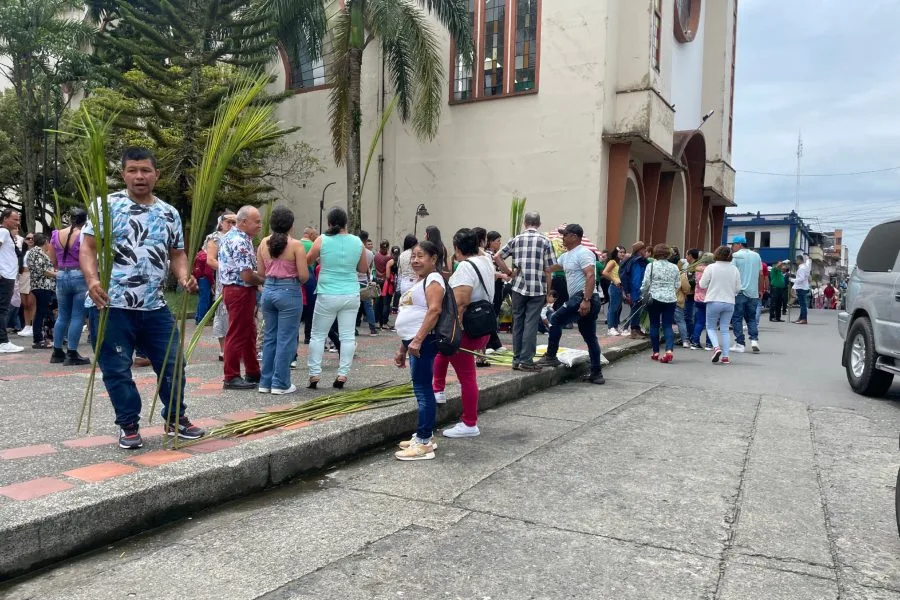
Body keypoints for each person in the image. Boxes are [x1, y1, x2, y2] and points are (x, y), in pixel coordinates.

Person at [81, 146, 205, 449]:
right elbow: (88, 248)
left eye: (145, 170)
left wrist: (182, 275)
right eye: (133, 170)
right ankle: (128, 425)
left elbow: (177, 253)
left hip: (154, 306)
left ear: (156, 175)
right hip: (112, 304)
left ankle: (175, 417)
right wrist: (93, 279)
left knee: (174, 363)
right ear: (123, 173)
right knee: (117, 368)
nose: (139, 176)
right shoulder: (105, 206)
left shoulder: (168, 212)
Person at [432, 228, 495, 438]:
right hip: (482, 324)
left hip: (467, 329)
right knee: (442, 352)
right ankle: (437, 391)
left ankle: (470, 423)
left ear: (457, 248)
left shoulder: (466, 267)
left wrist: (453, 329)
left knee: (467, 376)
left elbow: (461, 301)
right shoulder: (485, 260)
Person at [393, 241, 444, 460]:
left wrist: (417, 341)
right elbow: (412, 316)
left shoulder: (434, 279)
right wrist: (402, 348)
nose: (415, 260)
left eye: (421, 256)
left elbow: (434, 311)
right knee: (421, 390)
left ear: (433, 259)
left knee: (423, 391)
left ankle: (423, 443)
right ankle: (425, 435)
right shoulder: (422, 281)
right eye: (413, 256)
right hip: (414, 344)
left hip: (423, 343)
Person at [305, 207, 366, 389]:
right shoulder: (357, 242)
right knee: (347, 337)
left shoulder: (322, 240)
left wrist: (321, 260)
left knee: (317, 335)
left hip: (327, 293)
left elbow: (307, 260)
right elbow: (363, 269)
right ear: (346, 223)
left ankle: (315, 374)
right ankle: (343, 374)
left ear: (330, 223)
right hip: (350, 293)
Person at [536, 224, 605, 383]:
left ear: (574, 236)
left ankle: (551, 356)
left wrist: (586, 301)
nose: (562, 238)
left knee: (554, 320)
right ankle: (596, 373)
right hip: (580, 298)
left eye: (565, 235)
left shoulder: (584, 253)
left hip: (583, 297)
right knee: (589, 336)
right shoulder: (566, 256)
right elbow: (551, 267)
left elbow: (590, 276)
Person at [493, 212, 555, 371]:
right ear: (539, 224)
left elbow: (497, 257)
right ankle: (527, 360)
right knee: (531, 323)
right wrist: (549, 292)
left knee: (518, 322)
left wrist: (508, 272)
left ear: (525, 223)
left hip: (518, 286)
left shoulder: (516, 239)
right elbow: (548, 270)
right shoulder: (545, 241)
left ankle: (517, 359)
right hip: (538, 287)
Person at [256, 207, 309, 395]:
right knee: (286, 339)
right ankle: (280, 382)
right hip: (289, 292)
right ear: (291, 225)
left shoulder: (263, 243)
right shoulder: (296, 245)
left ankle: (266, 381)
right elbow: (303, 276)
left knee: (270, 337)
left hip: (268, 291)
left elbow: (261, 273)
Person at [219, 205, 265, 390]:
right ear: (244, 222)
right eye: (257, 221)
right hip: (239, 290)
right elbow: (246, 275)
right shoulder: (240, 241)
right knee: (238, 333)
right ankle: (231, 376)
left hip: (235, 290)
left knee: (248, 332)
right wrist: (264, 280)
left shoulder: (231, 236)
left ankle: (253, 371)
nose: (260, 225)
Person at [50, 208, 90, 365]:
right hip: (78, 275)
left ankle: (57, 351)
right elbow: (87, 257)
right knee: (77, 316)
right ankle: (72, 353)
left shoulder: (56, 234)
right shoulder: (83, 235)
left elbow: (52, 259)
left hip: (61, 274)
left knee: (62, 315)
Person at [699, 246, 742, 365]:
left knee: (711, 327)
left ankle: (716, 348)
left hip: (713, 300)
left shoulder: (711, 267)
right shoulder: (734, 269)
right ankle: (726, 356)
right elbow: (738, 288)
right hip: (729, 302)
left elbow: (702, 284)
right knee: (724, 329)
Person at [640, 244, 681, 363]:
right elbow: (677, 285)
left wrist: (642, 293)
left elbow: (646, 283)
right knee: (668, 325)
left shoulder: (651, 266)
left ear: (655, 253)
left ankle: (655, 352)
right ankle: (669, 351)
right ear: (668, 254)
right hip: (670, 299)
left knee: (654, 325)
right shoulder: (674, 267)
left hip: (654, 298)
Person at [206, 213, 237, 360]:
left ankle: (236, 347)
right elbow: (211, 260)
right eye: (229, 221)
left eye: (235, 222)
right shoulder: (215, 238)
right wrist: (228, 268)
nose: (231, 224)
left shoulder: (239, 236)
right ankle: (224, 350)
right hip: (223, 280)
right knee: (222, 313)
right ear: (221, 222)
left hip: (239, 280)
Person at [729, 235, 763, 353]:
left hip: (739, 292)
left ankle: (740, 344)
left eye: (733, 245)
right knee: (751, 318)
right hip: (753, 293)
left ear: (739, 244)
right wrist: (760, 290)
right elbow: (760, 274)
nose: (732, 247)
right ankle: (754, 340)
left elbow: (732, 273)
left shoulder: (736, 256)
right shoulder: (756, 255)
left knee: (737, 318)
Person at [26, 233, 56, 349]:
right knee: (41, 312)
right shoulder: (37, 252)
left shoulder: (34, 252)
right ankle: (38, 339)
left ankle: (46, 337)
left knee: (44, 312)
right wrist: (57, 275)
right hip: (42, 286)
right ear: (46, 242)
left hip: (41, 286)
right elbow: (43, 270)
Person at [0, 209, 23, 353]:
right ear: (5, 218)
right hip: (5, 276)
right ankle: (3, 341)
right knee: (2, 309)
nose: (17, 223)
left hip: (7, 275)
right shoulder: (3, 232)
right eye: (15, 219)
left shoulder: (6, 233)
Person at [484, 230, 508, 353]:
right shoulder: (487, 254)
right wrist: (503, 275)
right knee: (490, 314)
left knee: (495, 313)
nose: (499, 243)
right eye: (498, 241)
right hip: (492, 284)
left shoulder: (496, 254)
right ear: (490, 242)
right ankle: (488, 344)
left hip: (498, 285)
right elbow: (491, 273)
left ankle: (494, 342)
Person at [620, 241, 649, 338]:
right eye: (644, 249)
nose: (645, 251)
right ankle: (634, 330)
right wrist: (638, 292)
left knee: (637, 309)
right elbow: (636, 279)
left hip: (636, 289)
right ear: (640, 250)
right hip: (636, 290)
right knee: (636, 309)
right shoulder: (637, 262)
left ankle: (636, 328)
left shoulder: (636, 261)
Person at [688, 252, 714, 350]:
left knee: (699, 321)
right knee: (710, 322)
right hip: (709, 298)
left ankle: (695, 342)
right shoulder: (712, 269)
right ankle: (709, 344)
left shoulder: (697, 269)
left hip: (698, 298)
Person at [355, 230, 378, 336]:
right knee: (368, 306)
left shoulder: (355, 250)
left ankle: (353, 328)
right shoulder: (370, 253)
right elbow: (369, 268)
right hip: (364, 280)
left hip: (354, 281)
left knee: (354, 306)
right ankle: (373, 328)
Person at [299, 227, 318, 344]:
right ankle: (307, 336)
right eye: (315, 234)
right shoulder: (314, 245)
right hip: (310, 278)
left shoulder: (296, 244)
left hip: (298, 278)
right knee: (311, 308)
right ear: (310, 234)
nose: (316, 236)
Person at [672, 252, 693, 349]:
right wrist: (685, 293)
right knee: (680, 321)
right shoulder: (681, 273)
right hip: (678, 300)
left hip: (663, 299)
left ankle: (668, 338)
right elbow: (686, 287)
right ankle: (685, 341)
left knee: (665, 320)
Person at [16, 232, 35, 338]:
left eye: (32, 238)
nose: (30, 240)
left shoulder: (37, 251)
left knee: (32, 303)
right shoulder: (23, 252)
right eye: (28, 238)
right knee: (25, 304)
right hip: (23, 276)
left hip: (32, 276)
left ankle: (33, 326)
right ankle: (27, 326)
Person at [602, 246, 624, 335]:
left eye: (624, 252)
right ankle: (611, 328)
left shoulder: (619, 263)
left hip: (619, 287)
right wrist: (614, 280)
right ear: (616, 253)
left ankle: (615, 326)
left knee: (618, 308)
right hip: (614, 287)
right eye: (621, 252)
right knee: (613, 308)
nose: (622, 254)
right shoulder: (612, 262)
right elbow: (604, 272)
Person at [192, 245, 215, 324]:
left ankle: (198, 317)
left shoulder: (199, 254)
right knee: (205, 300)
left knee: (201, 299)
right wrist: (212, 282)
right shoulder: (207, 257)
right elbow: (208, 272)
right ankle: (202, 320)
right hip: (205, 279)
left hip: (199, 278)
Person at [381, 245, 400, 328]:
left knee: (386, 303)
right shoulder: (400, 261)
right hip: (397, 284)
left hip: (389, 284)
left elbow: (388, 276)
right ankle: (385, 321)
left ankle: (383, 322)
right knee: (390, 302)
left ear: (392, 252)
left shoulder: (390, 262)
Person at [373, 240, 391, 328]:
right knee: (385, 302)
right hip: (386, 281)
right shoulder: (389, 257)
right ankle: (383, 322)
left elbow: (374, 268)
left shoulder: (376, 256)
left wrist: (379, 275)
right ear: (387, 247)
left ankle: (376, 320)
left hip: (377, 280)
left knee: (377, 301)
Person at [793, 253, 811, 324]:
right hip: (803, 287)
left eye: (796, 260)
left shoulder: (802, 268)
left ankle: (804, 319)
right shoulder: (805, 267)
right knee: (802, 304)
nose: (796, 261)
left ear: (799, 260)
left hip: (801, 287)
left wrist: (792, 280)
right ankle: (801, 318)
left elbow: (801, 278)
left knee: (803, 305)